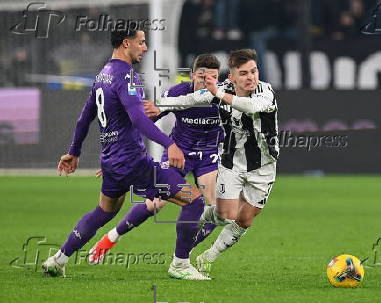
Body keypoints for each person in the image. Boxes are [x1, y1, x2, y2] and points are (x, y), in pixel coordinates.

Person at [41, 28, 211, 280]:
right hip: (134, 162)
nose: (144, 47)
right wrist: (169, 143)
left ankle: (58, 259)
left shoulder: (102, 75)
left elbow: (84, 117)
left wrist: (74, 151)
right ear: (126, 43)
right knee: (194, 199)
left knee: (104, 211)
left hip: (112, 162)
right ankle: (180, 264)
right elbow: (139, 119)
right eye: (141, 42)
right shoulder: (127, 77)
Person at [88, 54, 224, 279]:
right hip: (178, 154)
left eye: (213, 77)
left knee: (218, 210)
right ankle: (111, 237)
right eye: (202, 77)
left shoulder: (222, 97)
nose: (207, 81)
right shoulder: (177, 93)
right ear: (192, 76)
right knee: (155, 204)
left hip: (208, 156)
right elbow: (146, 120)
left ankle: (182, 256)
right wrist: (120, 155)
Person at [196, 49, 279, 277]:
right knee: (225, 215)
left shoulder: (266, 91)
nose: (251, 77)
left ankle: (208, 257)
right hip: (231, 163)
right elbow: (194, 96)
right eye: (243, 73)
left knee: (245, 219)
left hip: (263, 167)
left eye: (253, 71)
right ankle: (198, 216)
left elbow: (251, 107)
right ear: (232, 77)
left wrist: (218, 94)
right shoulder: (222, 89)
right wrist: (163, 105)